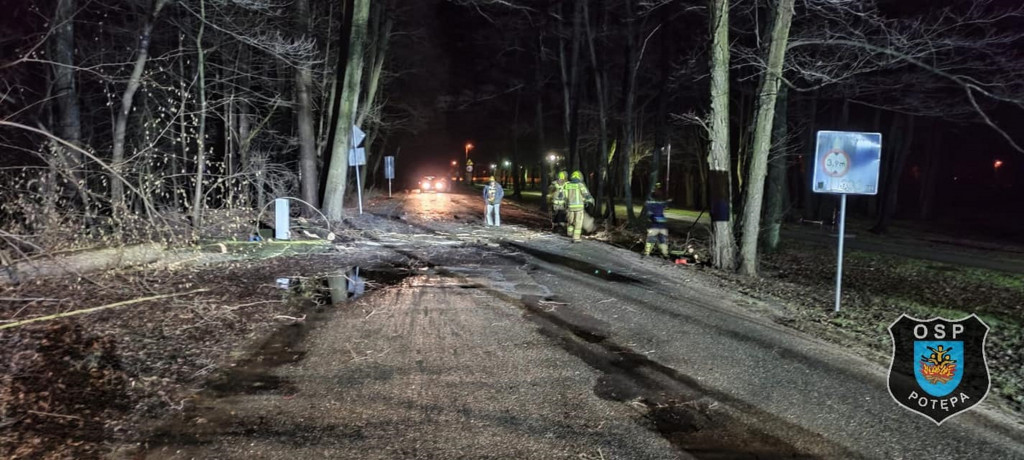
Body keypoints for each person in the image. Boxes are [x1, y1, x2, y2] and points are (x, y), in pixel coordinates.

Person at [563, 170, 594, 242]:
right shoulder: (580, 185)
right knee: (578, 222)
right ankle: (576, 238)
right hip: (579, 208)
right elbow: (586, 194)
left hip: (570, 207)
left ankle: (569, 232)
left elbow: (564, 196)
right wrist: (590, 200)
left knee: (570, 221)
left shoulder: (567, 185)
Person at [643, 185, 670, 257]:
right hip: (659, 224)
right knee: (661, 240)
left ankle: (647, 252)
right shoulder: (660, 203)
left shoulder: (650, 204)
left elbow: (649, 213)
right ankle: (665, 254)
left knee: (653, 239)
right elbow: (666, 205)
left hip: (656, 225)